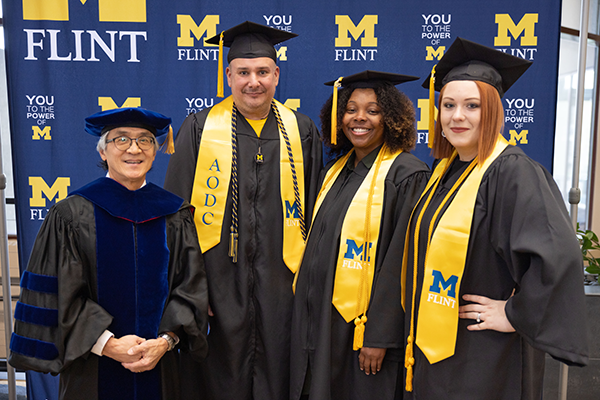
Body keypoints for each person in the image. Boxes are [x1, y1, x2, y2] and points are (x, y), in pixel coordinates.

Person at [399, 37, 589, 399]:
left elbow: (559, 254)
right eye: (449, 105)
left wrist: (516, 313)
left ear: (494, 112)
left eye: (472, 106)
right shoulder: (444, 173)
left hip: (485, 354)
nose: (457, 116)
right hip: (436, 345)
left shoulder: (513, 172)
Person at [164, 21, 322, 400]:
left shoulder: (300, 131)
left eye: (263, 72)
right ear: (228, 75)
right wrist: (195, 288)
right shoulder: (201, 128)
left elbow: (317, 212)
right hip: (218, 287)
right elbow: (178, 216)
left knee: (278, 373)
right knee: (218, 377)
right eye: (244, 73)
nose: (254, 82)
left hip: (283, 286)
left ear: (276, 75)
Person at [9, 107, 209, 400]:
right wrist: (107, 343)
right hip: (92, 370)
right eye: (121, 140)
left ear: (155, 151)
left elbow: (190, 289)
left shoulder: (174, 214)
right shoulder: (71, 215)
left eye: (145, 140)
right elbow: (59, 294)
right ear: (103, 151)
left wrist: (164, 342)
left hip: (162, 367)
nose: (134, 149)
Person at [290, 70, 430, 400]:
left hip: (361, 330)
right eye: (351, 109)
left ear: (391, 118)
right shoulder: (335, 171)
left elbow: (402, 262)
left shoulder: (406, 174)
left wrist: (380, 336)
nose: (359, 118)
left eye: (373, 110)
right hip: (321, 321)